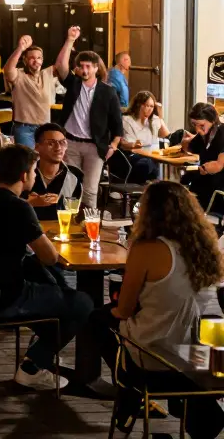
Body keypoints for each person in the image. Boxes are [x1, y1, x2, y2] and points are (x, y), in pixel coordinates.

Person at [85, 182, 224, 438]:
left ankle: (129, 391)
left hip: (157, 364)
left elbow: (124, 310)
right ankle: (192, 402)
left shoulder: (147, 249)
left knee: (97, 318)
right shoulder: (208, 247)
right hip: (209, 361)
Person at [0, 144, 93, 390]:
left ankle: (42, 353)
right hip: (5, 297)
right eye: (33, 170)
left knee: (55, 286)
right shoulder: (18, 207)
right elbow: (50, 257)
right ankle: (32, 367)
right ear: (24, 176)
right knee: (83, 303)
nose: (34, 175)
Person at [56, 26, 124, 209]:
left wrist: (114, 145)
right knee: (69, 187)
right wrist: (70, 40)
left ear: (96, 68)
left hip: (95, 146)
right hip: (70, 142)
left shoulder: (108, 91)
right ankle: (67, 226)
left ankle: (89, 228)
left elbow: (117, 123)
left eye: (88, 66)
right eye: (81, 66)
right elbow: (61, 66)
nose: (84, 70)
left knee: (90, 190)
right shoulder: (73, 84)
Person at [3, 34, 60, 147]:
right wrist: (20, 48)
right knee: (28, 162)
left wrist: (70, 40)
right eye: (32, 58)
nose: (36, 61)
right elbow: (7, 69)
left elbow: (62, 65)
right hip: (24, 129)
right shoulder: (19, 75)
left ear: (42, 60)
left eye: (39, 58)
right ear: (24, 60)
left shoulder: (47, 73)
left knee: (44, 162)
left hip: (45, 128)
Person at [23, 123, 81, 221]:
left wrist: (61, 202)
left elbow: (78, 211)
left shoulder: (75, 175)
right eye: (51, 143)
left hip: (61, 231)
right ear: (37, 147)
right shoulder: (25, 172)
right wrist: (30, 202)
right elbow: (6, 207)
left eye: (62, 143)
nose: (58, 148)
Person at [183, 102, 224, 213]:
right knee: (184, 180)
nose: (197, 129)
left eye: (201, 125)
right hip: (206, 178)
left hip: (219, 183)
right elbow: (188, 148)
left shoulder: (222, 133)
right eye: (194, 125)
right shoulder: (205, 134)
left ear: (212, 120)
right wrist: (185, 142)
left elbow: (219, 165)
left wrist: (206, 168)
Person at [120, 90, 168, 184]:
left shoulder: (153, 120)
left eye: (152, 106)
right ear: (139, 105)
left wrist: (160, 116)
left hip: (151, 156)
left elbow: (165, 134)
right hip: (132, 156)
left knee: (153, 164)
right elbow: (126, 144)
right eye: (147, 106)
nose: (150, 109)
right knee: (147, 164)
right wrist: (134, 144)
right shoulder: (127, 120)